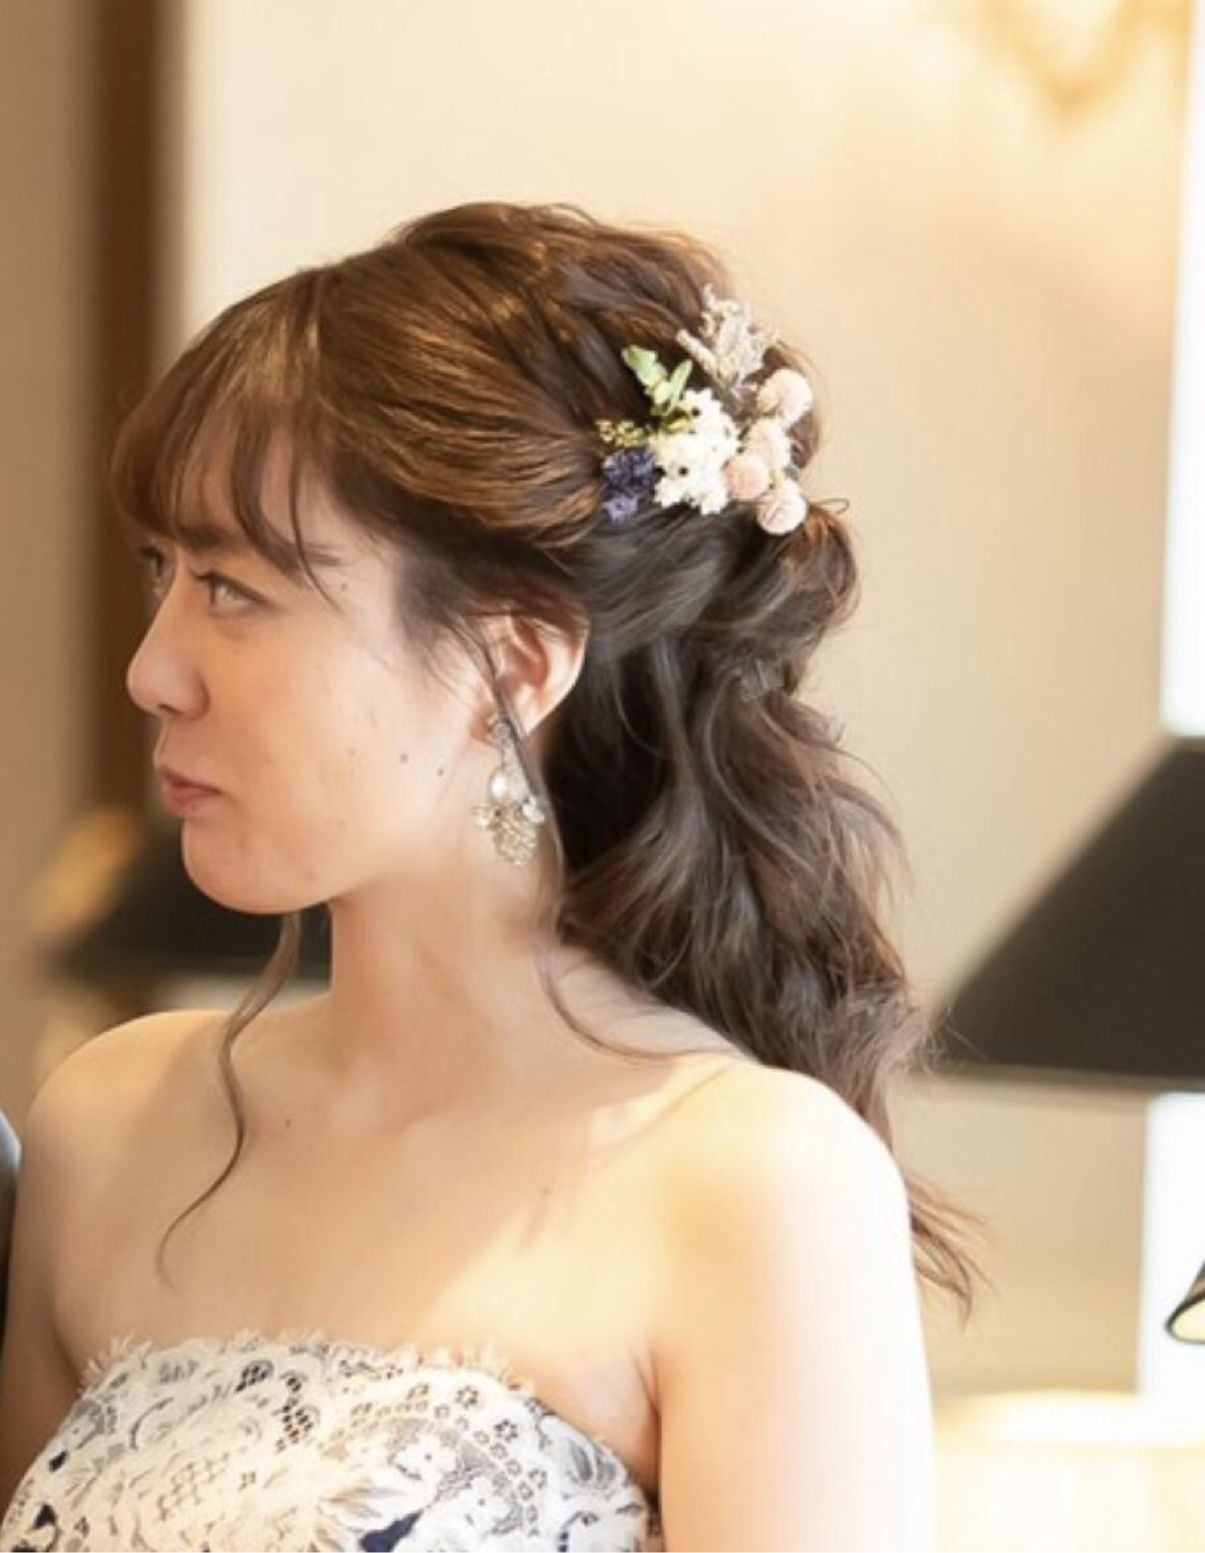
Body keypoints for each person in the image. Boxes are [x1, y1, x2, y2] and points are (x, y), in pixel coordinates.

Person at [0, 201, 982, 1551]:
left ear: (512, 666)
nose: (152, 669)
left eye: (233, 588)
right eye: (161, 570)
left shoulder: (753, 1182)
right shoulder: (110, 1126)